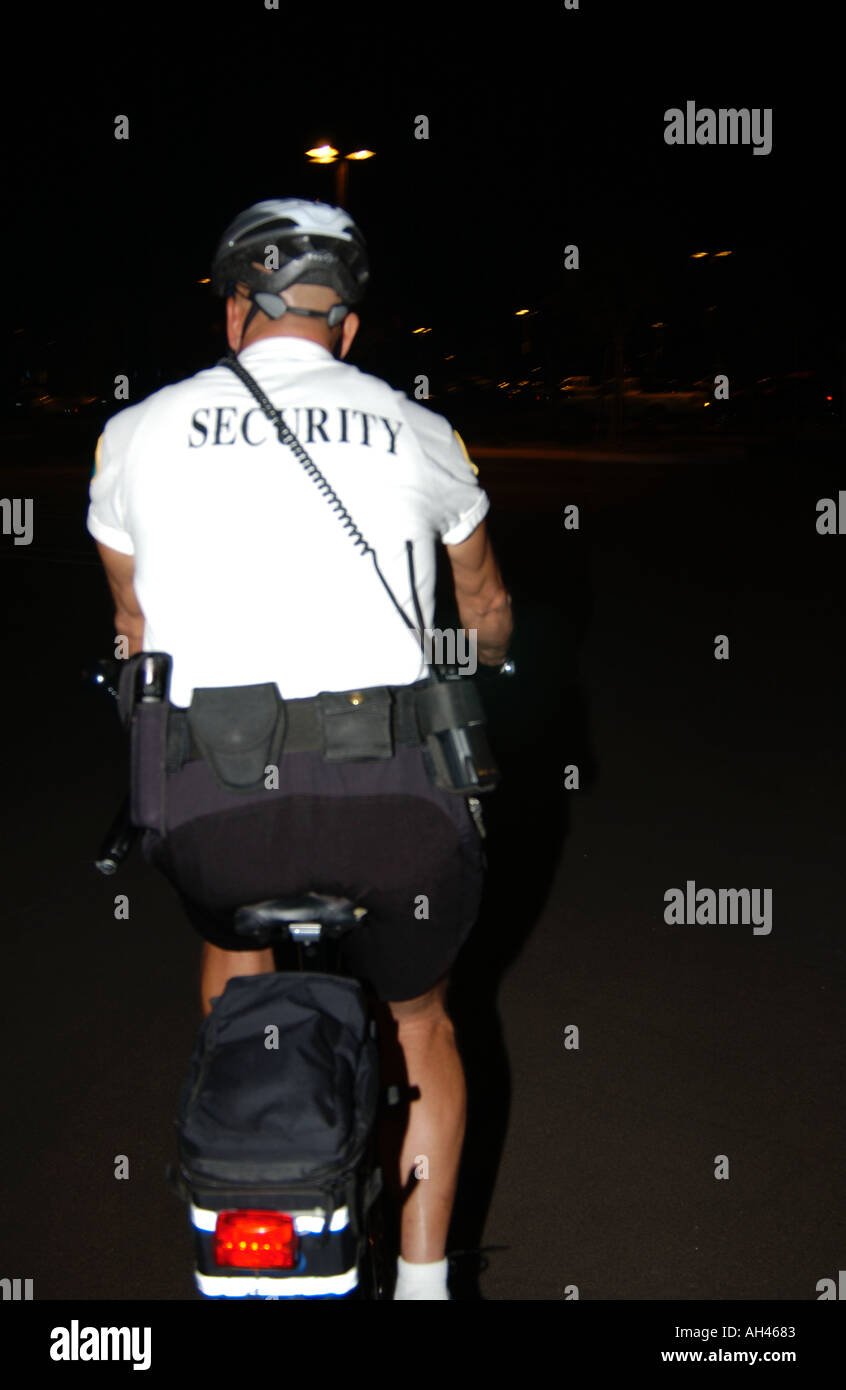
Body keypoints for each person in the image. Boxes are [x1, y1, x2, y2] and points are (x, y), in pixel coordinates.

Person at [86, 198, 513, 1300]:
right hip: (399, 813)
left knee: (235, 958)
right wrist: (484, 648)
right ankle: (424, 1286)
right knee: (422, 1020)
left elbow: (130, 628)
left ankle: (250, 1103)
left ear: (235, 313)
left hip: (213, 811)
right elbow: (487, 611)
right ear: (349, 330)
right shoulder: (417, 429)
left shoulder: (133, 434)